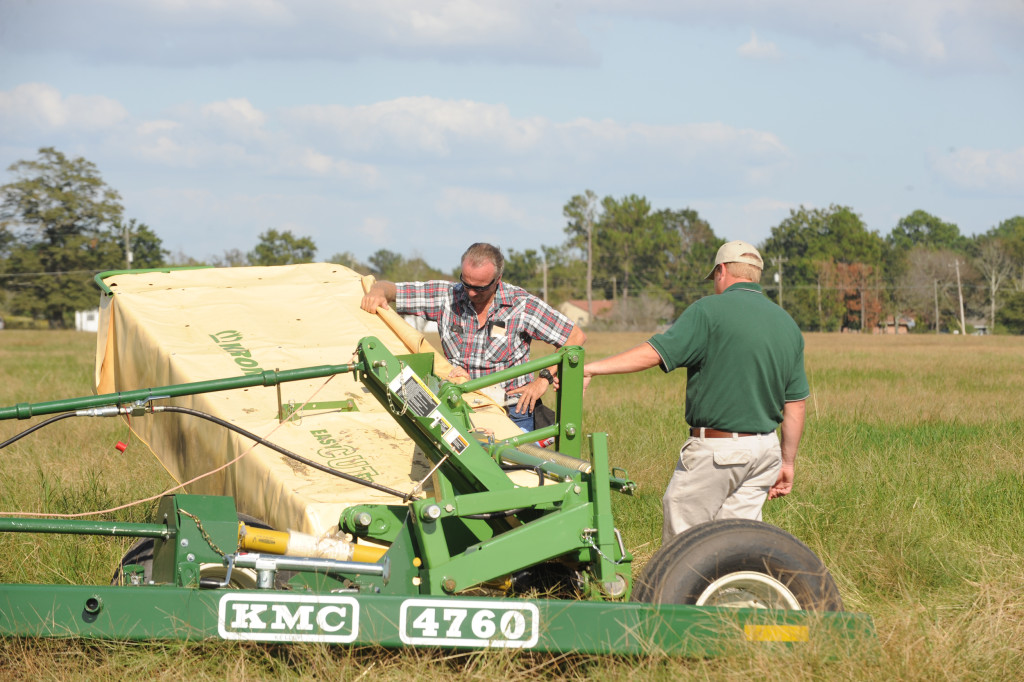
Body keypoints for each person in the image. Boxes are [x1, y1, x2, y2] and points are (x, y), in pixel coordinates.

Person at [582, 240, 808, 542]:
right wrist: (787, 462)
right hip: (764, 453)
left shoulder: (708, 311)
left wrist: (593, 368)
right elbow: (795, 405)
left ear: (722, 271)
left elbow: (654, 353)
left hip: (719, 452)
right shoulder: (787, 323)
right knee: (737, 545)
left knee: (684, 544)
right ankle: (734, 589)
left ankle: (678, 591)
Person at [360, 242, 586, 431]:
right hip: (458, 407)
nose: (470, 293)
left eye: (479, 288)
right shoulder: (446, 296)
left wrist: (543, 380)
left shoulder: (522, 305)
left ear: (497, 280)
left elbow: (574, 336)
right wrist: (377, 292)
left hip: (511, 410)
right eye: (465, 283)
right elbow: (389, 289)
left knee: (521, 472)